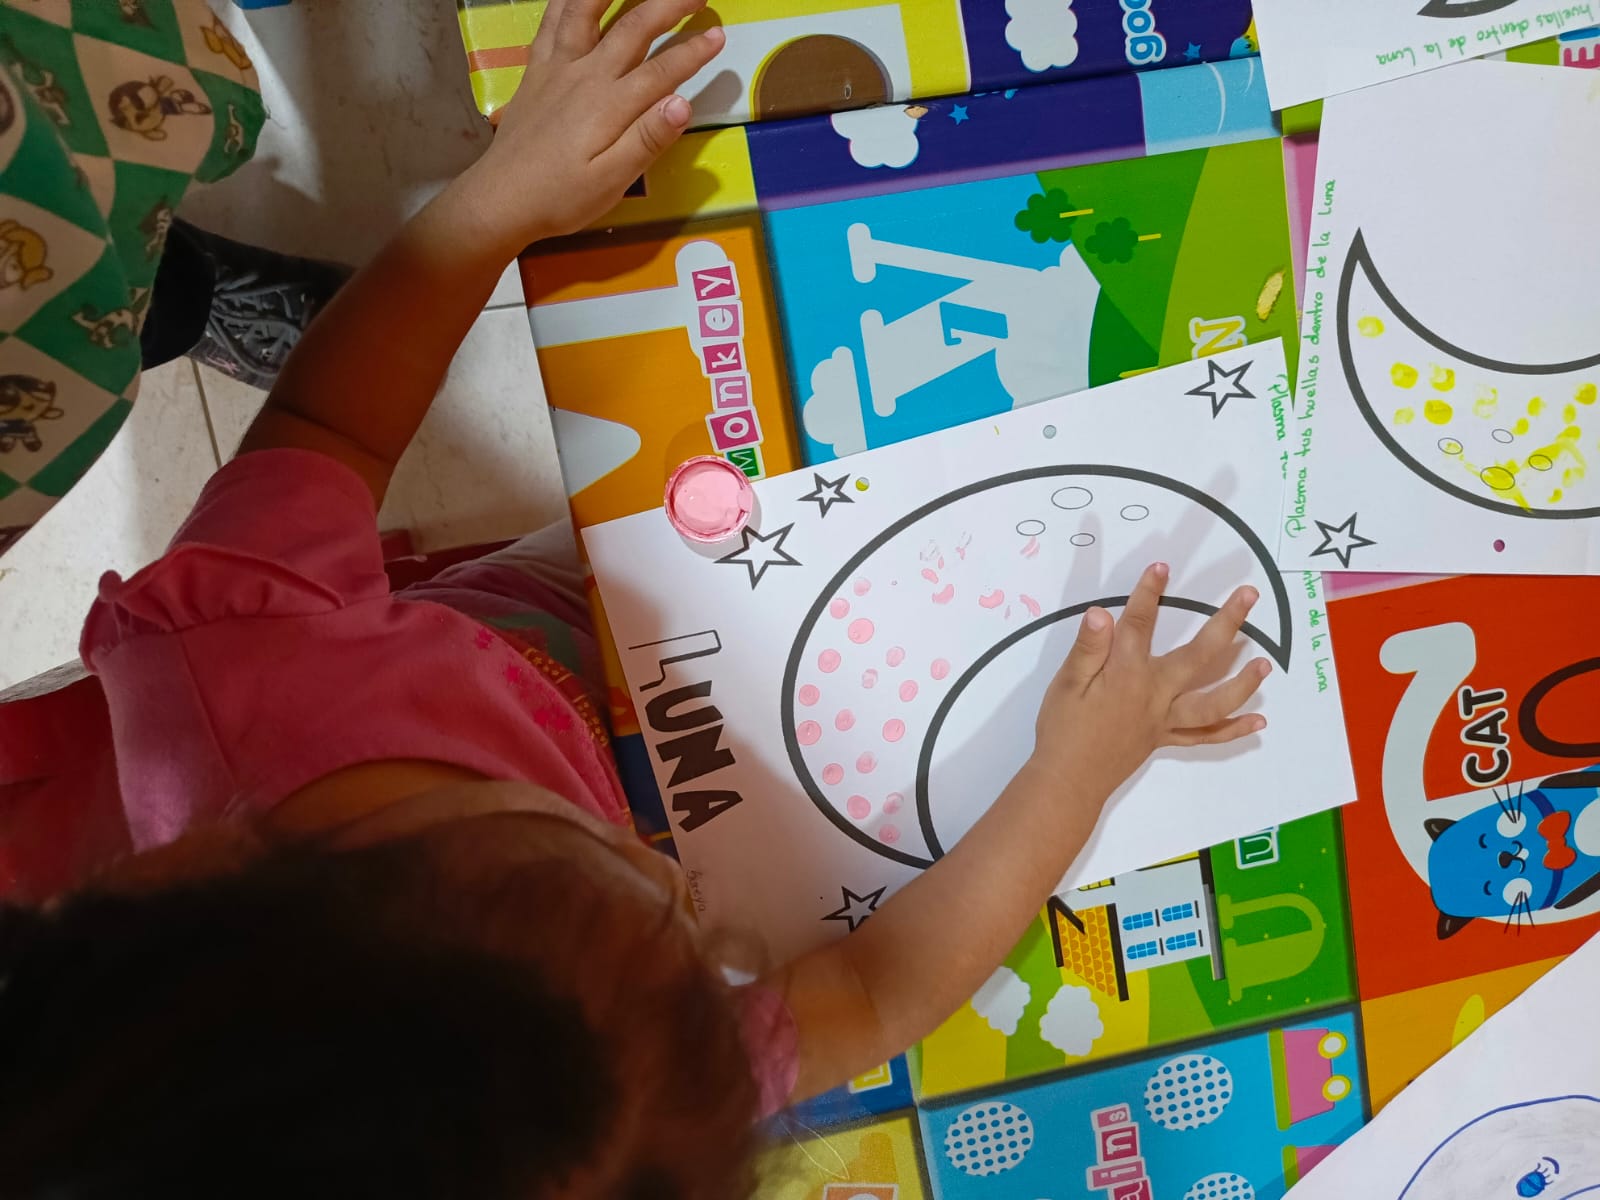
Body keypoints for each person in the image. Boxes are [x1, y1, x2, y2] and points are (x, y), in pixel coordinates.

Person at [0, 0, 1272, 1195]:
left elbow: (331, 427)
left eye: (598, 861)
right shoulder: (625, 1080)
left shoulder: (243, 651)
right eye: (708, 953)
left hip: (546, 602)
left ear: (211, 861)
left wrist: (497, 201)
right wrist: (1073, 774)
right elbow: (876, 993)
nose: (675, 886)